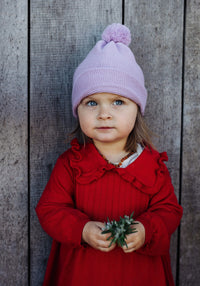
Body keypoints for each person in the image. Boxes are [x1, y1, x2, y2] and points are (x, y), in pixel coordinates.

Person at [36, 23, 183, 286]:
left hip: (139, 273)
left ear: (136, 109)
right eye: (91, 102)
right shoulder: (71, 164)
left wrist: (146, 228)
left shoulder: (152, 164)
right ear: (77, 110)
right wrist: (81, 228)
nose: (104, 113)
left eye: (118, 101)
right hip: (83, 273)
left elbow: (169, 210)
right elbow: (49, 209)